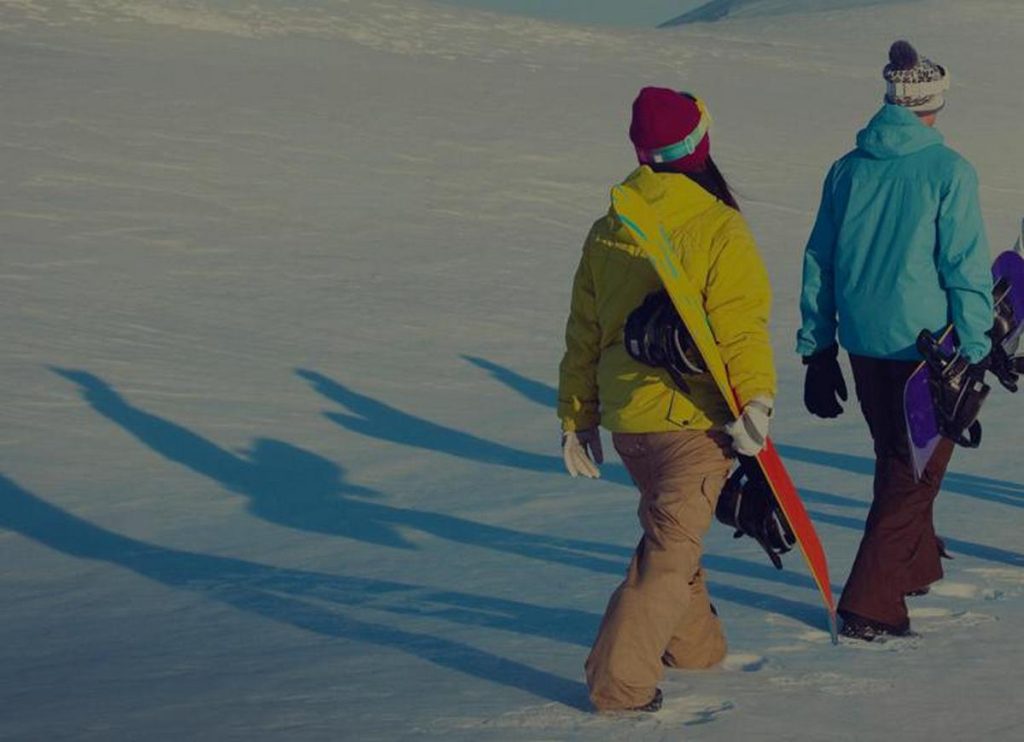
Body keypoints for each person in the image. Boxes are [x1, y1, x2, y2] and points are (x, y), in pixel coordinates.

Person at [557, 87, 776, 712]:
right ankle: (619, 684)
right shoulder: (717, 225)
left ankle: (697, 649)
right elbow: (739, 323)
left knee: (675, 532)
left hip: (632, 426)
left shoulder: (609, 227)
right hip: (692, 423)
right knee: (668, 550)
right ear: (699, 147)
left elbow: (585, 332)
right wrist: (756, 399)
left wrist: (579, 418)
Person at [796, 41, 993, 641]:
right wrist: (978, 345)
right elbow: (964, 264)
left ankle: (916, 564)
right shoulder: (949, 170)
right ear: (933, 103)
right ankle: (869, 604)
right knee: (913, 475)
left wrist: (819, 347)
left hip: (863, 343)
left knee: (896, 456)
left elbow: (820, 260)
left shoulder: (847, 168)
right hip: (929, 349)